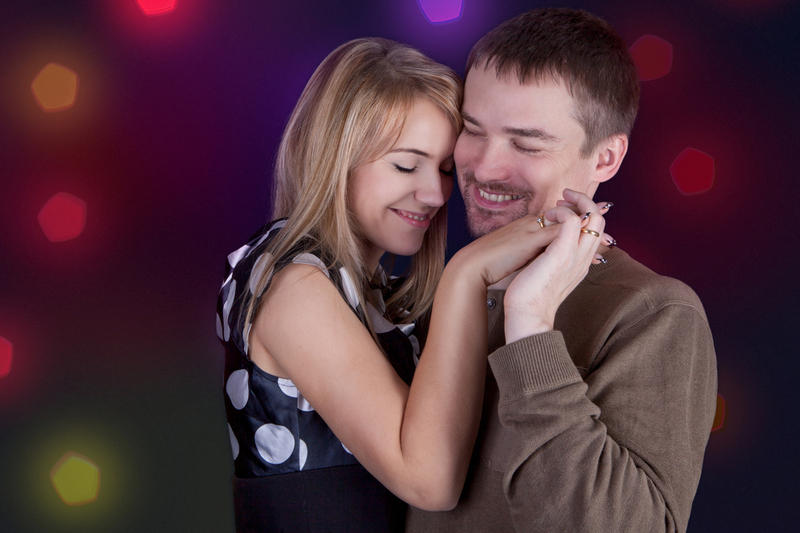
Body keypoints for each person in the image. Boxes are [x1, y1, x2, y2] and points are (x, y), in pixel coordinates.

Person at [216, 38, 607, 532]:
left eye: (444, 169)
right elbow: (431, 482)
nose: (436, 194)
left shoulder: (371, 290)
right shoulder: (294, 285)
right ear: (336, 157)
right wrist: (467, 274)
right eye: (405, 164)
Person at [406, 8, 718, 533]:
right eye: (472, 129)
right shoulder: (435, 290)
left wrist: (530, 326)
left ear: (606, 159)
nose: (483, 167)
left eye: (527, 144)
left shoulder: (652, 313)